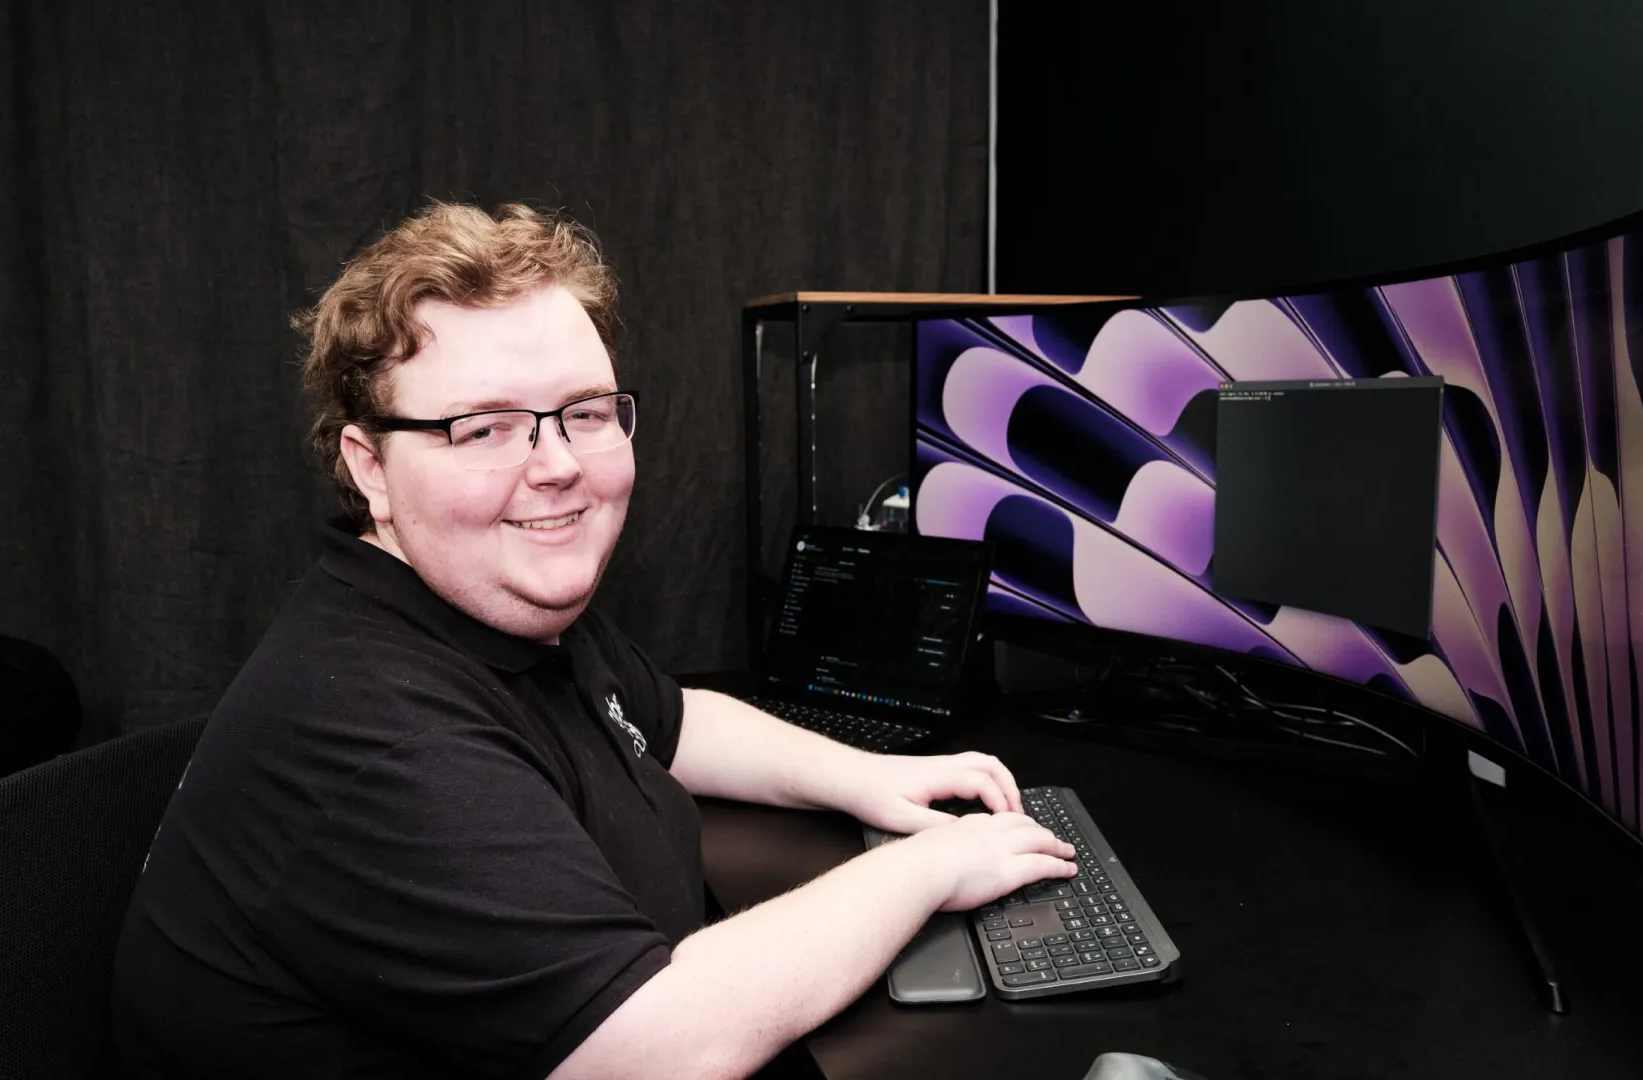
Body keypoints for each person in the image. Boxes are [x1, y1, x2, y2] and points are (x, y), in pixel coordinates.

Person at [110, 202, 1076, 1080]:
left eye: (584, 413)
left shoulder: (484, 599)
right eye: (483, 429)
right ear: (369, 467)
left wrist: (866, 777)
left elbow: (672, 718)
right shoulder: (375, 730)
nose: (559, 466)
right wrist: (926, 867)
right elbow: (658, 1047)